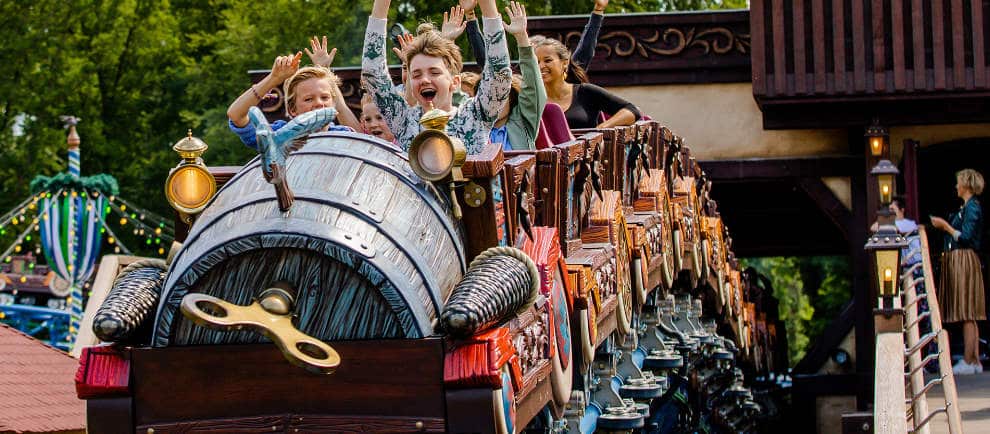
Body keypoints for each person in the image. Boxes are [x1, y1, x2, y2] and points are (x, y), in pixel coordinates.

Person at [363, 0, 512, 154]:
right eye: (416, 74)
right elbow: (373, 74)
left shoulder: (475, 115)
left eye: (434, 72)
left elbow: (499, 73)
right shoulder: (405, 120)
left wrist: (487, 4)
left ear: (454, 82)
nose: (425, 80)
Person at [227, 49, 356, 149]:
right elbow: (236, 115)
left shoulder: (345, 137)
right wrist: (274, 79)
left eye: (324, 97)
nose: (319, 103)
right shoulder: (278, 136)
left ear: (334, 105)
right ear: (292, 109)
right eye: (309, 99)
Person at [931, 169, 985, 375]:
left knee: (967, 311)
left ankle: (969, 361)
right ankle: (974, 360)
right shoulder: (966, 207)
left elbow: (966, 237)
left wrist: (945, 226)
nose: (956, 186)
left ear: (965, 185)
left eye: (958, 183)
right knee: (968, 311)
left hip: (964, 258)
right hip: (959, 258)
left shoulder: (973, 207)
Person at [531, 34, 640, 129]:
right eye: (536, 62)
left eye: (548, 60)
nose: (540, 66)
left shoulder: (585, 91)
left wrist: (602, 128)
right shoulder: (531, 99)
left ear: (565, 63)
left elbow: (632, 110)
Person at [488, 2, 545, 151]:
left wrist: (521, 36)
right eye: (488, 96)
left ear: (511, 98)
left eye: (501, 95)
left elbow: (533, 88)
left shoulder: (522, 123)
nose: (494, 101)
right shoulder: (473, 125)